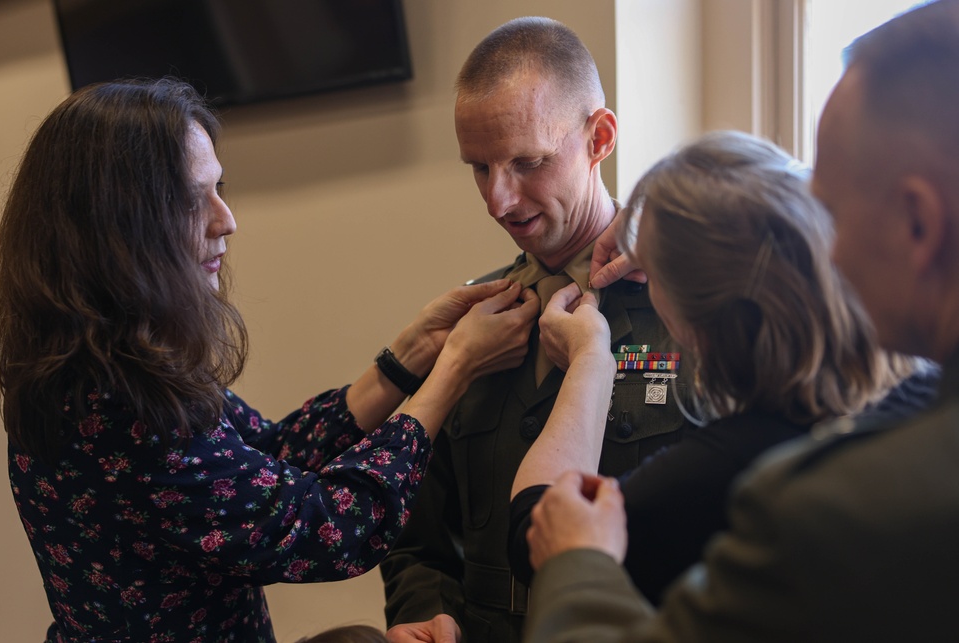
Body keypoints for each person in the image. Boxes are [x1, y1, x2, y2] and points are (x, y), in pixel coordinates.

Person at [0, 78, 539, 643]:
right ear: (116, 228)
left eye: (220, 188)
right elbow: (329, 527)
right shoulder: (115, 408)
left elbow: (268, 456)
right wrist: (452, 373)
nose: (227, 220)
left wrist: (413, 352)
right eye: (194, 200)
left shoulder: (106, 358)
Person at [522, 1, 959, 641]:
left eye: (833, 213)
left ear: (918, 223)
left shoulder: (821, 510)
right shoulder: (916, 399)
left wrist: (576, 564)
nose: (825, 252)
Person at [508, 129, 925, 606]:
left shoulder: (724, 473)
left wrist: (589, 362)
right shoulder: (924, 397)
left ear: (696, 326)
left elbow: (536, 534)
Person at [379, 17, 691, 643]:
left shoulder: (687, 304)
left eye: (528, 162)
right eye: (479, 167)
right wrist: (424, 607)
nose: (498, 199)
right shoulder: (472, 323)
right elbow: (416, 537)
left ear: (599, 137)